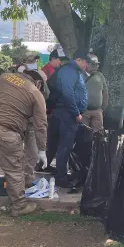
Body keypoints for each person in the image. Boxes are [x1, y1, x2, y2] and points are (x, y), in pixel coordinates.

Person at [0, 70, 48, 216]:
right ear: (39, 82)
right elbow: (41, 125)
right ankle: (19, 206)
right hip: (6, 133)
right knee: (15, 171)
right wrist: (42, 150)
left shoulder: (3, 77)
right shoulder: (35, 92)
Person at [45, 49, 89, 187]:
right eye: (85, 62)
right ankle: (61, 178)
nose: (86, 66)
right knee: (64, 146)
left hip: (66, 112)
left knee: (64, 146)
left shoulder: (73, 71)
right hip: (67, 113)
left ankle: (61, 174)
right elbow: (67, 93)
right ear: (79, 60)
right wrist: (76, 113)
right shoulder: (69, 71)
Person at [23, 70, 50, 187]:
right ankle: (15, 182)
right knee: (13, 154)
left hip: (32, 125)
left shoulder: (39, 91)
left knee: (33, 153)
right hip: (18, 125)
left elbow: (47, 94)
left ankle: (27, 180)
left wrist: (44, 82)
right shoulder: (21, 88)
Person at [82, 54, 108, 131]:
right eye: (93, 65)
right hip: (84, 111)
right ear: (86, 64)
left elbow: (105, 91)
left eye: (97, 65)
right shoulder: (80, 75)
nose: (95, 67)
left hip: (97, 111)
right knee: (84, 133)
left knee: (98, 134)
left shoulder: (100, 75)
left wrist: (103, 107)